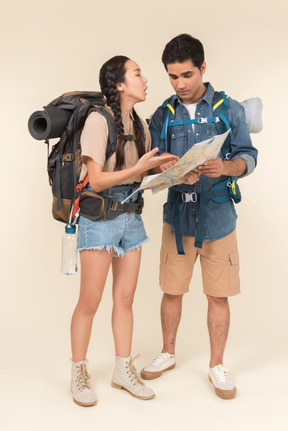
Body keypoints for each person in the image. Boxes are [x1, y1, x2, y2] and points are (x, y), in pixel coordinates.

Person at [141, 34, 258, 399]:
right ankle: (168, 352)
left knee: (218, 295)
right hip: (177, 217)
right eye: (173, 76)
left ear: (203, 68)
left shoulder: (231, 109)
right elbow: (147, 164)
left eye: (187, 75)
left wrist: (226, 166)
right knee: (171, 291)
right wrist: (170, 169)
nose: (180, 84)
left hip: (219, 218)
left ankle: (217, 366)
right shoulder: (163, 114)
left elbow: (249, 157)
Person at [69, 55, 177, 407]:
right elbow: (96, 180)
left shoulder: (139, 123)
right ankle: (78, 373)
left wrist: (168, 170)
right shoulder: (98, 121)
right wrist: (143, 167)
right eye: (137, 74)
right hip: (99, 217)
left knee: (125, 299)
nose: (145, 79)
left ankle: (121, 370)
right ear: (119, 84)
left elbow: (139, 177)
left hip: (132, 216)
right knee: (90, 301)